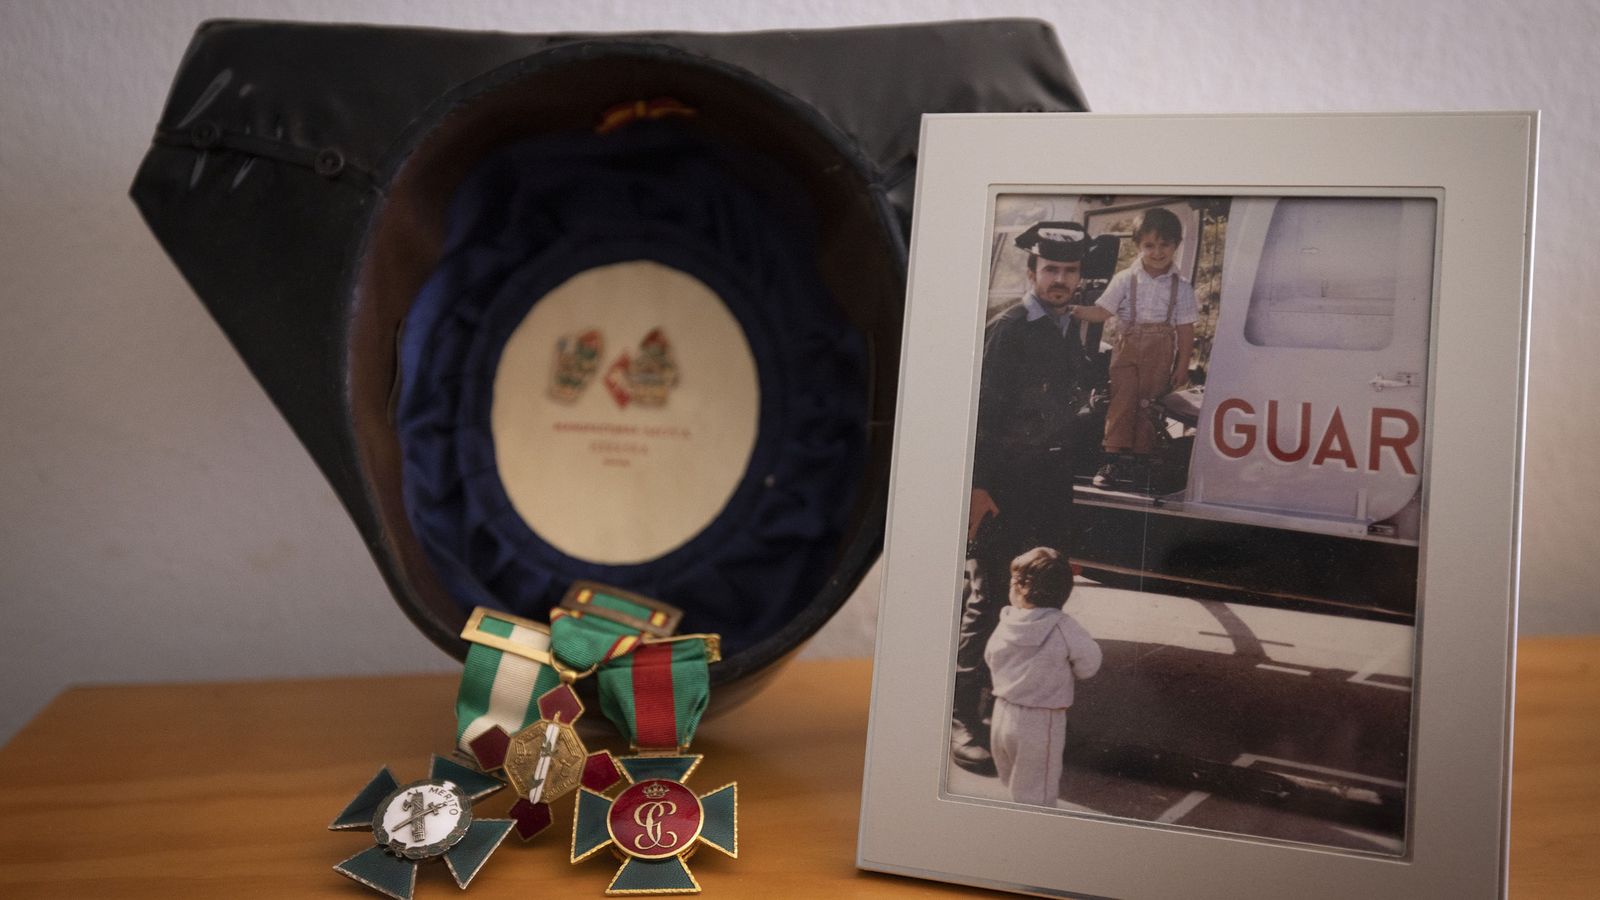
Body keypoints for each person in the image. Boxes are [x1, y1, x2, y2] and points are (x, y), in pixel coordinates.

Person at [955, 220, 1088, 773]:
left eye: (1070, 271)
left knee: (1040, 601)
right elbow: (981, 412)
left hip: (1050, 490)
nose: (1060, 279)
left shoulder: (1067, 328)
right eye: (1050, 269)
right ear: (1032, 271)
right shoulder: (1009, 329)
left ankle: (1017, 708)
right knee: (990, 602)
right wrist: (978, 488)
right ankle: (964, 718)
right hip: (1004, 491)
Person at [1070, 207, 1198, 489]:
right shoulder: (1125, 279)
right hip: (1127, 348)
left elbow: (1185, 329)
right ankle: (1113, 461)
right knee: (1122, 401)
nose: (1157, 252)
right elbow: (1102, 312)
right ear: (1138, 246)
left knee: (1148, 404)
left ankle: (1141, 461)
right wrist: (1074, 310)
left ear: (1176, 245)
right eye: (1149, 245)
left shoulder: (1182, 286)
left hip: (1161, 350)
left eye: (1164, 244)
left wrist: (1181, 365)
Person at [984, 546, 1102, 807]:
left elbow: (990, 656)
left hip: (1002, 714)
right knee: (1037, 793)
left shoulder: (1008, 620)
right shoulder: (1063, 626)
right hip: (1041, 721)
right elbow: (1089, 663)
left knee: (1012, 781)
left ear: (1018, 588)